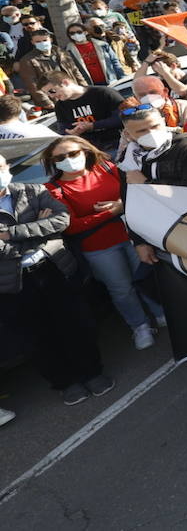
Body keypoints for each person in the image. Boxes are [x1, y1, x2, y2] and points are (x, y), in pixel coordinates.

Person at [0, 155, 114, 406]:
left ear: (7, 168)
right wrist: (38, 226)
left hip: (54, 267)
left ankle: (92, 372)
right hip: (12, 283)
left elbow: (61, 221)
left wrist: (11, 234)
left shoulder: (31, 190)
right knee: (36, 336)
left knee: (77, 322)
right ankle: (65, 382)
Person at [43, 136, 164, 350]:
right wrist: (115, 210)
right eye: (60, 157)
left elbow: (133, 193)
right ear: (53, 161)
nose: (68, 159)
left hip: (133, 236)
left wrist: (120, 205)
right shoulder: (53, 189)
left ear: (85, 151)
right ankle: (140, 326)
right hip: (98, 247)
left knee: (147, 277)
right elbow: (71, 225)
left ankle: (161, 313)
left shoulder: (107, 168)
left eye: (72, 153)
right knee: (121, 289)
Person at [120, 106, 187, 187]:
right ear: (128, 134)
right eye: (142, 131)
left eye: (155, 126)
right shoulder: (128, 156)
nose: (151, 133)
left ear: (164, 122)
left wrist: (146, 183)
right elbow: (126, 190)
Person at [42, 71, 124, 153]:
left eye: (52, 91)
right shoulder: (60, 106)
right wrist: (72, 133)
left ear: (65, 82)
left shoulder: (103, 93)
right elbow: (63, 131)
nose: (51, 96)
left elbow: (124, 117)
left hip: (117, 143)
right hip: (89, 150)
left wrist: (92, 126)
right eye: (47, 94)